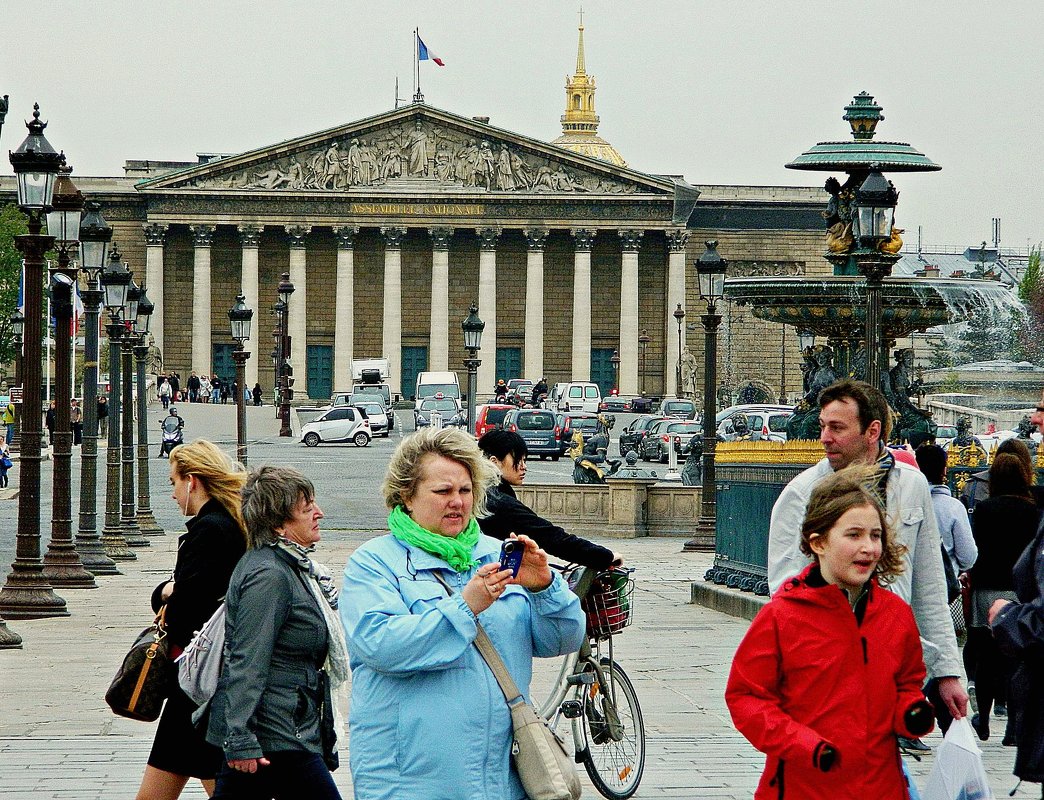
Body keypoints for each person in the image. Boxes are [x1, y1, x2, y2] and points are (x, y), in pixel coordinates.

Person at [340, 427, 585, 800]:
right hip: (410, 782)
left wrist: (545, 587)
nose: (457, 502)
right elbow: (381, 645)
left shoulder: (497, 554)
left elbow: (561, 640)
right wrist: (464, 606)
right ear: (407, 496)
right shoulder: (375, 563)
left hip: (502, 780)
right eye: (442, 492)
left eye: (465, 491)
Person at [767, 380, 968, 728]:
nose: (825, 438)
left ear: (872, 430)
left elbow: (929, 585)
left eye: (837, 427)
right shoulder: (802, 493)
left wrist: (947, 670)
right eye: (822, 426)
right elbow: (784, 591)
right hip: (827, 674)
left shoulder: (912, 485)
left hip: (896, 670)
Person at [727, 465, 934, 800]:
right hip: (804, 785)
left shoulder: (895, 615)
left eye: (876, 535)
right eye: (854, 535)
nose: (869, 547)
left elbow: (907, 682)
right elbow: (746, 698)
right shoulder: (781, 617)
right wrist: (805, 745)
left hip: (880, 786)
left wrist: (911, 711)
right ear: (819, 542)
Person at [206, 466, 347, 799]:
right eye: (307, 507)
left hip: (284, 726)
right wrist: (240, 736)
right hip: (275, 734)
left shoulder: (290, 568)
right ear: (279, 524)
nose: (319, 513)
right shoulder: (269, 576)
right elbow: (246, 660)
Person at [136, 440, 248, 800]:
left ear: (192, 481)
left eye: (173, 482)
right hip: (210, 679)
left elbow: (187, 610)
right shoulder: (231, 523)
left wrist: (166, 593)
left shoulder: (210, 530)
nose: (171, 493)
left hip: (196, 680)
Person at [967, 449, 1039, 743]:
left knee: (986, 652)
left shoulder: (985, 509)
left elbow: (975, 549)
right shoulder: (1033, 511)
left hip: (987, 586)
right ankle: (1012, 726)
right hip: (1019, 589)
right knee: (1017, 658)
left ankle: (982, 718)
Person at [478, 429, 623, 568]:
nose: (524, 467)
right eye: (518, 460)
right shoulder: (497, 501)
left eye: (525, 460)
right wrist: (606, 556)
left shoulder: (485, 492)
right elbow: (551, 537)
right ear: (494, 461)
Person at [915, 443, 978, 733]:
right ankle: (943, 716)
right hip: (945, 589)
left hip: (908, 590)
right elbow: (969, 555)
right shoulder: (952, 507)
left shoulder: (910, 501)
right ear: (944, 470)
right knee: (941, 647)